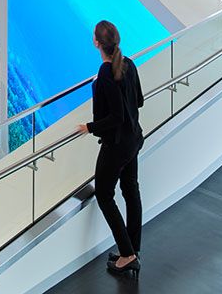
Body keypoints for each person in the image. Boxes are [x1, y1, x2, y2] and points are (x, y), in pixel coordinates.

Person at [76, 18, 144, 275]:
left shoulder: (105, 73)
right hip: (133, 140)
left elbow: (116, 117)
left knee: (104, 195)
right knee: (131, 191)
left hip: (116, 146)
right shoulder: (129, 64)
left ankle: (127, 254)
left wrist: (89, 127)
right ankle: (132, 249)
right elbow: (139, 101)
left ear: (96, 43)